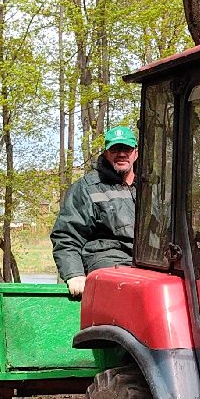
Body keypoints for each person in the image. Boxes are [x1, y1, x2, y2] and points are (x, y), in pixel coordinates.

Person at [52, 125, 139, 299]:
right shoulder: (87, 187)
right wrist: (74, 274)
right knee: (127, 288)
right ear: (106, 153)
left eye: (126, 149)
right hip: (109, 263)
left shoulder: (153, 187)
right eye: (115, 149)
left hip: (148, 265)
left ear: (135, 153)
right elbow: (67, 236)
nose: (121, 154)